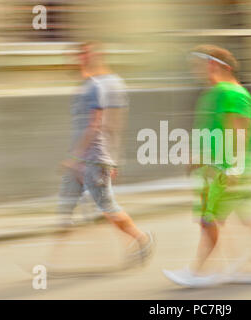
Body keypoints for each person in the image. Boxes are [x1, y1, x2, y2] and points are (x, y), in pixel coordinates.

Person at [164, 45, 251, 287]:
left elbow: (239, 132)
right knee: (236, 217)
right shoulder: (213, 93)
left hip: (227, 170)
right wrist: (197, 157)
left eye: (202, 63)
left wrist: (234, 166)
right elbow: (211, 131)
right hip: (215, 169)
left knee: (210, 220)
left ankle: (197, 271)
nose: (198, 69)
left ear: (219, 65)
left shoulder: (232, 94)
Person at [56, 41, 154, 265]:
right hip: (83, 159)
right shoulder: (85, 84)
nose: (78, 59)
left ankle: (140, 240)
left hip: (97, 158)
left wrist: (113, 160)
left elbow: (112, 125)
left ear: (96, 56)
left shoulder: (109, 84)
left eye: (83, 55)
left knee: (107, 208)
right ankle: (55, 262)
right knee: (79, 207)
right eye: (76, 55)